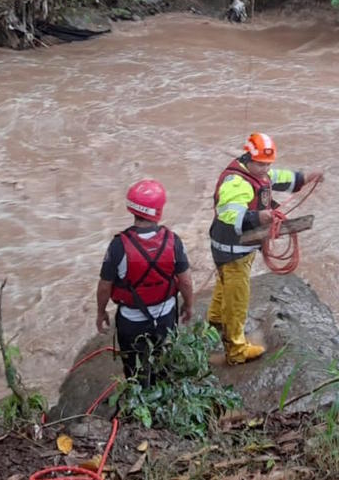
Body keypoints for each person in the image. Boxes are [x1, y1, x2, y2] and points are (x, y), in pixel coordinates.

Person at [207, 132, 323, 365]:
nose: (265, 168)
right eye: (261, 164)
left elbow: (279, 177)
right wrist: (260, 216)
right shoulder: (236, 183)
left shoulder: (259, 172)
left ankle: (216, 318)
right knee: (238, 295)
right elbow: (230, 216)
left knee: (224, 283)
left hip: (239, 248)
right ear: (249, 157)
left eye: (267, 164)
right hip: (232, 248)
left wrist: (304, 178)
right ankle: (236, 350)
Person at [95, 179, 195, 386]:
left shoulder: (118, 246)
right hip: (165, 317)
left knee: (134, 369)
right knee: (164, 362)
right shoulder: (173, 241)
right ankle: (162, 396)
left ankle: (140, 402)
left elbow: (105, 286)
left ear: (131, 208)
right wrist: (189, 305)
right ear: (158, 210)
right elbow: (185, 281)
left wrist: (101, 312)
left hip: (131, 322)